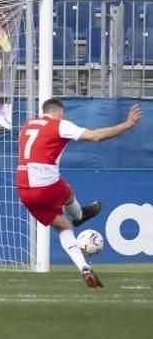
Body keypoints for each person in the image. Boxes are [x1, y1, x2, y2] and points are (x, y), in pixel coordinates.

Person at [17, 98, 142, 288]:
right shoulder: (59, 125)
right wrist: (127, 124)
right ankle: (79, 215)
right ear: (60, 113)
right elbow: (95, 136)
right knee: (67, 194)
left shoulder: (27, 126)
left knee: (63, 226)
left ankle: (84, 267)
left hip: (23, 188)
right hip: (45, 184)